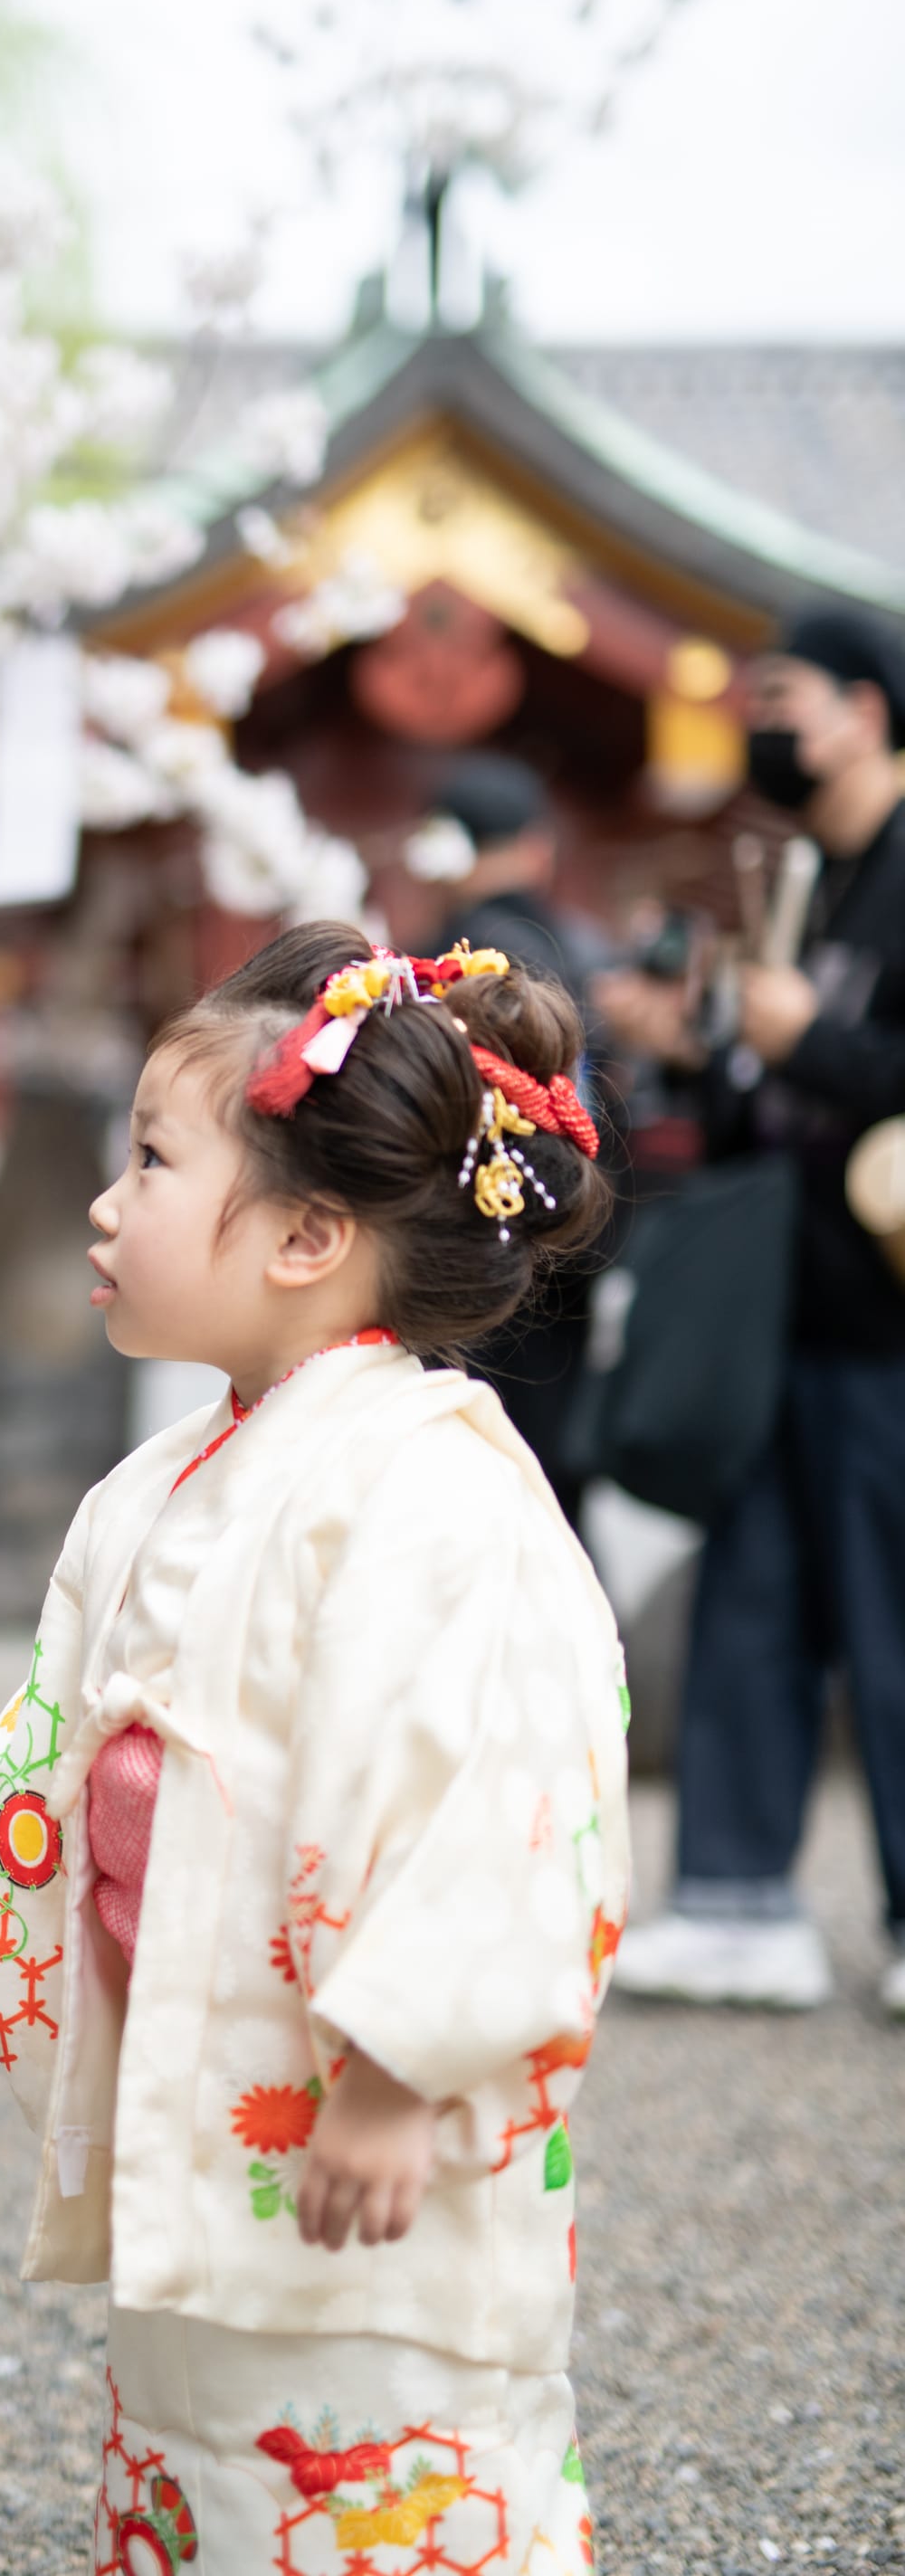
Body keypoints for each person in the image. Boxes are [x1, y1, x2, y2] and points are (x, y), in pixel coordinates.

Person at [0, 926, 628, 2575]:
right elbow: (52, 1732)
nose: (108, 1207)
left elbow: (512, 1806)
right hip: (229, 2109)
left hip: (360, 2123)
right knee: (204, 2449)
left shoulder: (443, 1493)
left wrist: (403, 2074)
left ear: (310, 1235)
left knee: (382, 2460)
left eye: (153, 1162)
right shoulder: (167, 1477)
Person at [598, 608, 905, 2019]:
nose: (760, 718)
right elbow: (765, 1107)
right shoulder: (813, 880)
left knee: (890, 1616)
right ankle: (735, 1901)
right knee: (754, 1601)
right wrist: (702, 1057)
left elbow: (845, 1061)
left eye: (783, 695)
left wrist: (806, 1039)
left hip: (885, 1325)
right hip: (788, 1307)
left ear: (863, 708)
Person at [405, 754, 604, 1520]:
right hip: (554, 1234)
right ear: (536, 848)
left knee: (455, 1468)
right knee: (540, 1474)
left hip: (452, 1242)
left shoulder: (440, 955)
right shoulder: (563, 945)